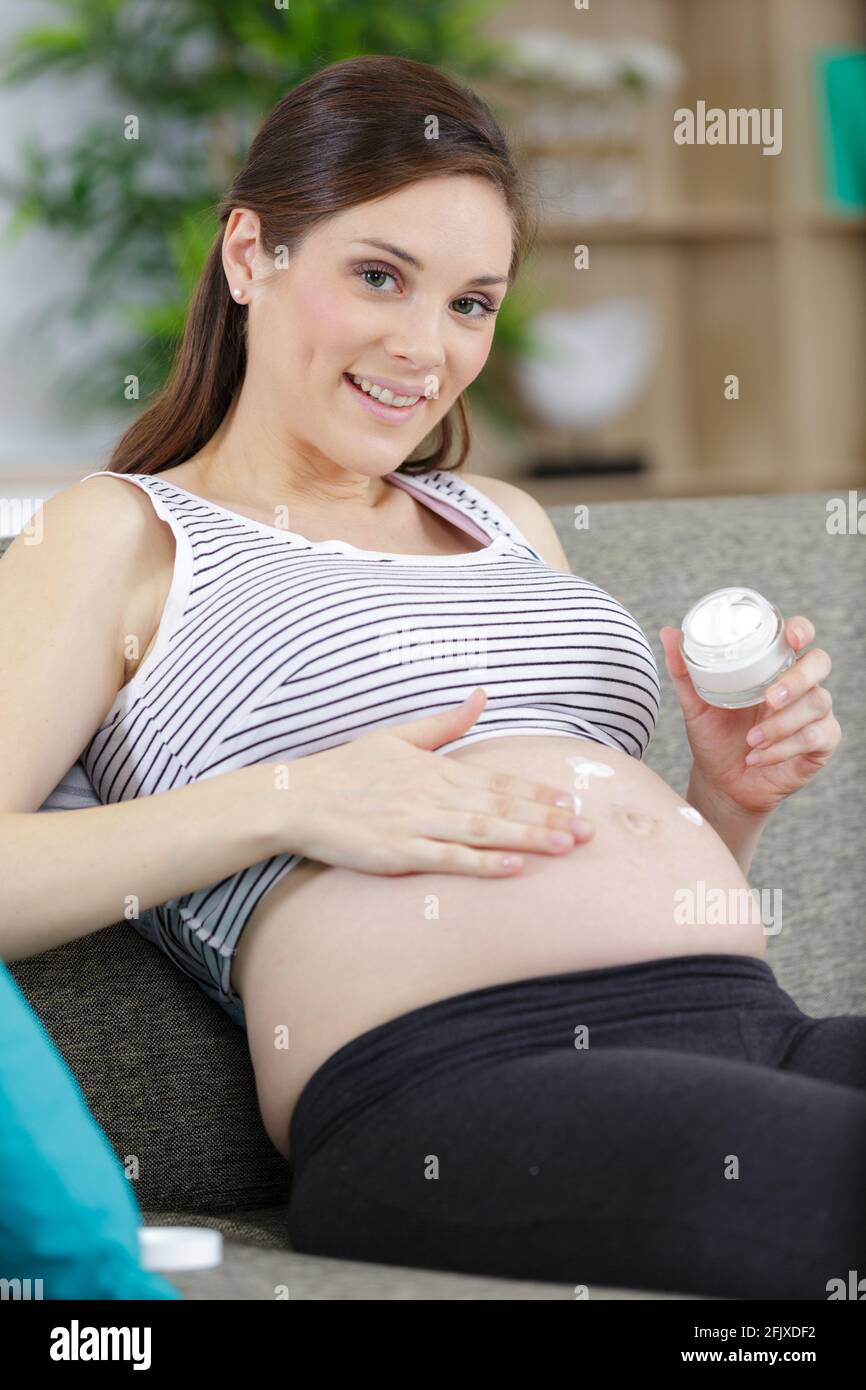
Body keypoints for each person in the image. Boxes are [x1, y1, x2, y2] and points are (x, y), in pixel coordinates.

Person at [3, 56, 862, 1300]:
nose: (425, 348)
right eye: (376, 276)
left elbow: (576, 876)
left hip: (740, 1017)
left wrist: (720, 801)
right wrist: (292, 795)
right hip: (449, 1083)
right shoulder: (121, 534)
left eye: (470, 303)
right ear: (250, 255)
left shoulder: (504, 518)